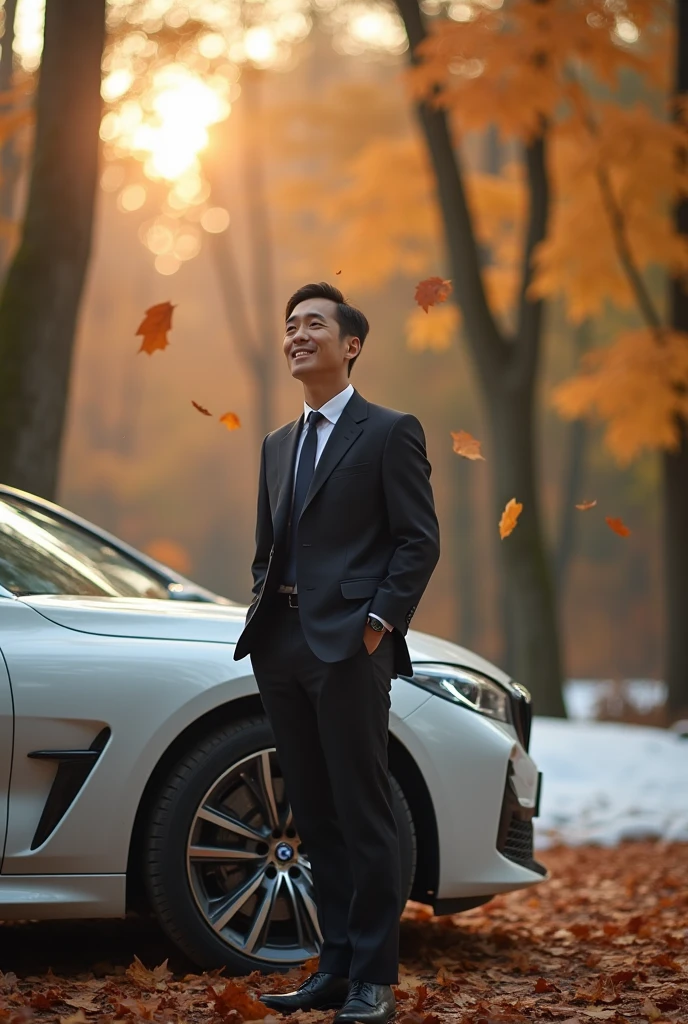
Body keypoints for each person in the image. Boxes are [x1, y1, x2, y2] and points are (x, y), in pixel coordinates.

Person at [233, 282, 440, 1024]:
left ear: (350, 345)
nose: (297, 334)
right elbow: (268, 550)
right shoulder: (276, 445)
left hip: (352, 649)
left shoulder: (389, 431)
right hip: (282, 647)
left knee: (363, 812)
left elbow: (419, 540)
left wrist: (377, 622)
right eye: (290, 325)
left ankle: (374, 982)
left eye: (313, 324)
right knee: (313, 818)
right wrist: (267, 605)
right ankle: (336, 967)